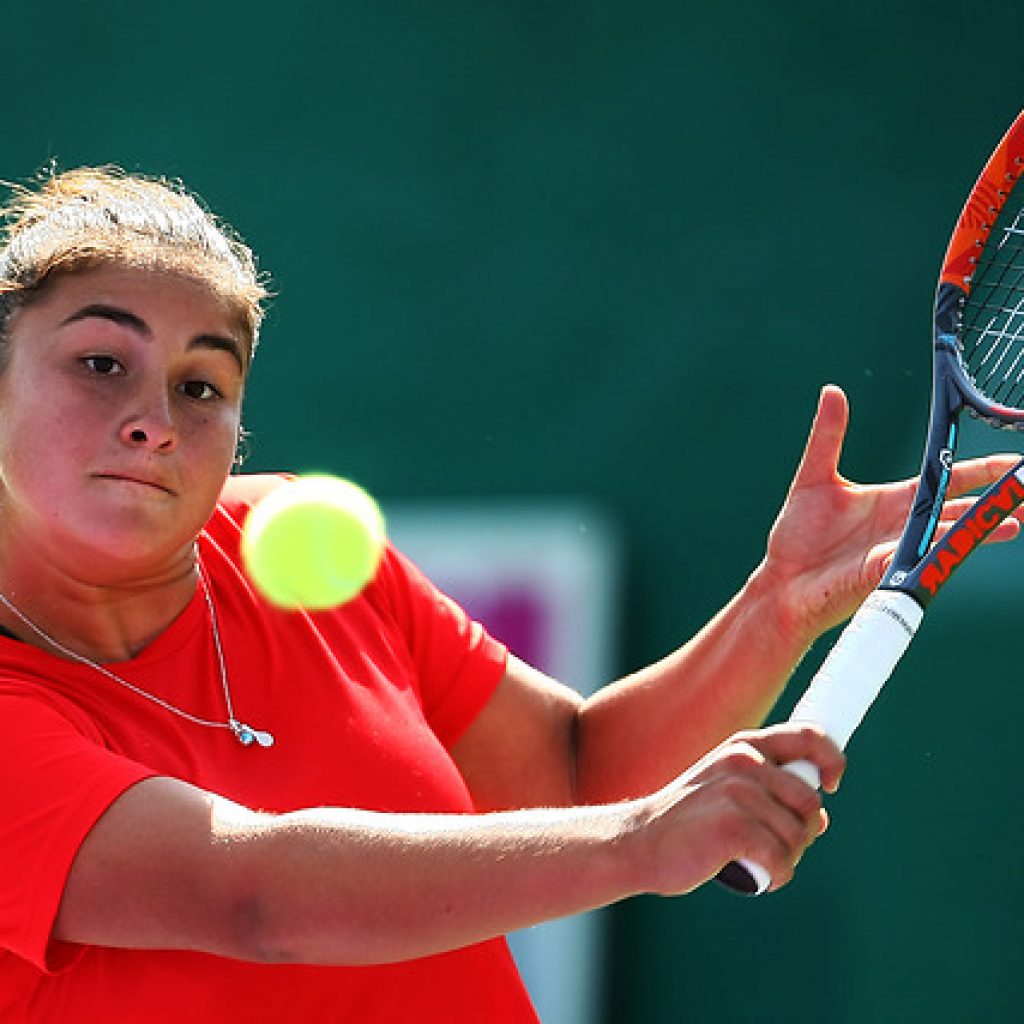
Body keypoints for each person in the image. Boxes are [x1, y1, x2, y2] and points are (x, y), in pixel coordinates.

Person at [0, 167, 1016, 1024]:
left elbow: (574, 772)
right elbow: (254, 894)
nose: (155, 421)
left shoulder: (286, 539)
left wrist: (777, 603)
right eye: (101, 363)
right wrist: (641, 842)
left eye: (202, 384)